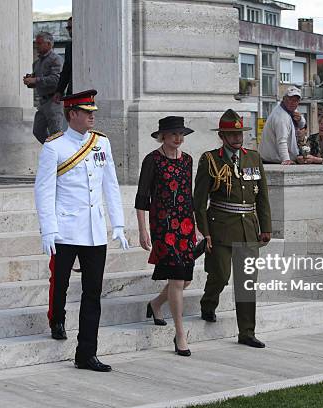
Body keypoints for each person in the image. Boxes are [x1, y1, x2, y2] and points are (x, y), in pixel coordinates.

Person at [34, 89, 128, 372]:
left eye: (93, 112)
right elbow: (44, 190)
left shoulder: (101, 144)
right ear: (72, 114)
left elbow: (110, 186)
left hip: (94, 231)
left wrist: (119, 224)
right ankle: (57, 318)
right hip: (64, 229)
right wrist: (48, 230)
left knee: (93, 294)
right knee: (60, 283)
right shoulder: (54, 147)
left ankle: (86, 352)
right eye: (87, 112)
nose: (92, 116)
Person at [194, 109, 272, 348]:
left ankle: (246, 332)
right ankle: (208, 303)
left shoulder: (253, 158)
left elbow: (262, 196)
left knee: (247, 281)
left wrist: (266, 226)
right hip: (221, 226)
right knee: (220, 275)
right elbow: (199, 201)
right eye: (231, 134)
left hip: (248, 227)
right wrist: (204, 231)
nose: (237, 138)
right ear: (222, 136)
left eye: (239, 133)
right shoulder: (210, 159)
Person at [135, 116, 197, 357]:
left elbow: (188, 194)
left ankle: (156, 304)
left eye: (181, 134)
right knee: (177, 280)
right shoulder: (152, 160)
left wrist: (196, 225)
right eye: (173, 134)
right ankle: (180, 334)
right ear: (163, 136)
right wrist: (142, 230)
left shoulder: (188, 160)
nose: (178, 138)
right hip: (162, 227)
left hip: (185, 226)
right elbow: (142, 198)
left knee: (184, 280)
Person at [24, 31, 64, 144]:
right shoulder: (36, 63)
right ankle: (51, 150)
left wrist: (35, 80)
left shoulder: (56, 59)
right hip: (42, 102)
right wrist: (30, 81)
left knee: (56, 133)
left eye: (40, 43)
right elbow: (37, 81)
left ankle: (60, 157)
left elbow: (57, 80)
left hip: (54, 101)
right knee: (38, 131)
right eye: (36, 43)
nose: (37, 46)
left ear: (49, 44)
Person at [259, 86, 302, 164]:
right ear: (284, 99)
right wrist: (286, 159)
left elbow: (302, 125)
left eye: (296, 100)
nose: (293, 102)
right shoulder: (281, 116)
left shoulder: (289, 109)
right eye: (290, 99)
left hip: (273, 160)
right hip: (273, 161)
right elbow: (282, 140)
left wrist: (300, 119)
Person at [53, 17, 73, 103]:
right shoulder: (69, 46)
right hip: (72, 93)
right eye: (68, 28)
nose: (70, 31)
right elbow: (66, 70)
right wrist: (59, 91)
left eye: (71, 27)